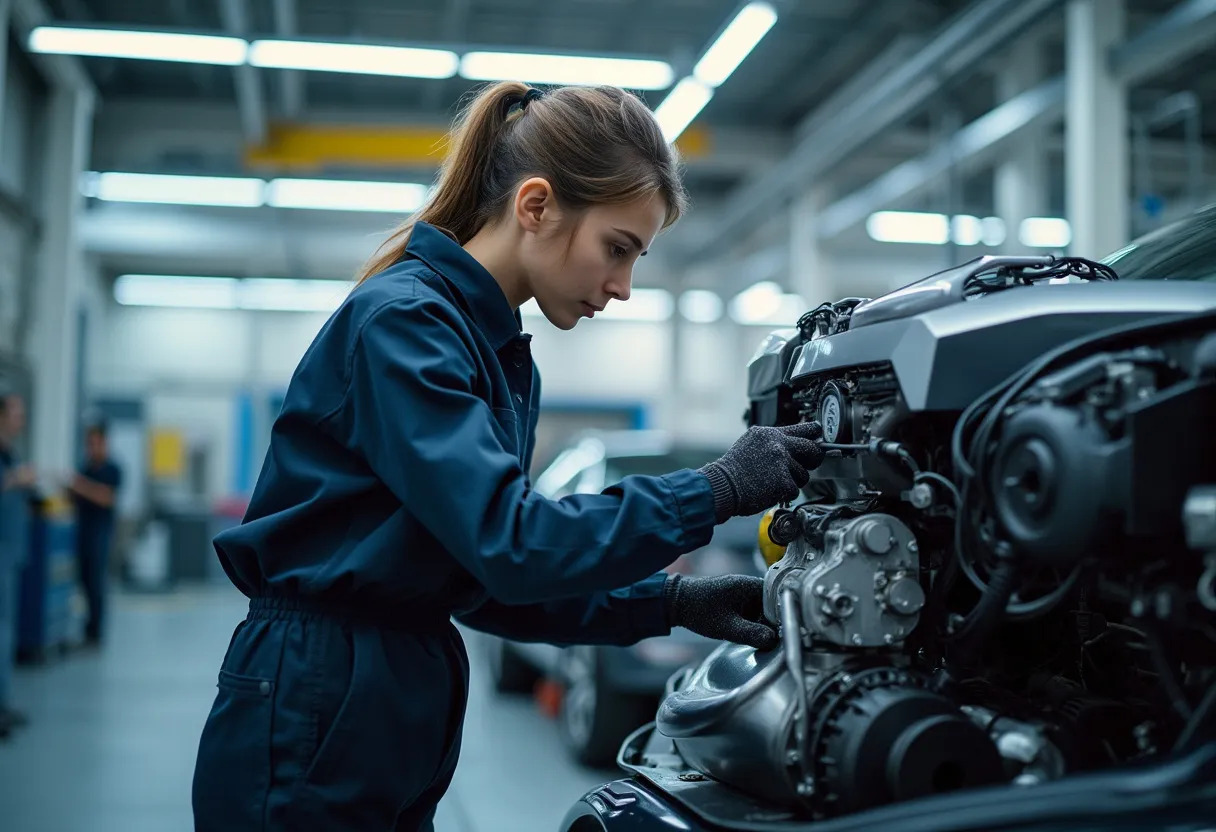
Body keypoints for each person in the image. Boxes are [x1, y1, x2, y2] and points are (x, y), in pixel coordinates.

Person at [191, 81, 825, 831]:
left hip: (389, 692)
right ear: (536, 207)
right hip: (321, 691)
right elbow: (513, 540)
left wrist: (672, 602)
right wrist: (717, 488)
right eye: (617, 249)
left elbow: (487, 579)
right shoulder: (406, 324)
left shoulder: (493, 352)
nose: (622, 287)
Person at [65, 423, 122, 647]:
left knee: (96, 583)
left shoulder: (112, 469)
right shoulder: (86, 469)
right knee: (84, 581)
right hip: (83, 531)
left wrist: (79, 486)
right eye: (89, 443)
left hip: (101, 534)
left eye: (96, 443)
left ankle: (96, 633)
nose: (93, 448)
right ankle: (87, 629)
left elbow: (106, 497)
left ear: (105, 443)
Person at [0, 393, 35, 740]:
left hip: (10, 549)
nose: (20, 419)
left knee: (6, 631)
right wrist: (16, 480)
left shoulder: (10, 452)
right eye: (16, 413)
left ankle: (4, 702)